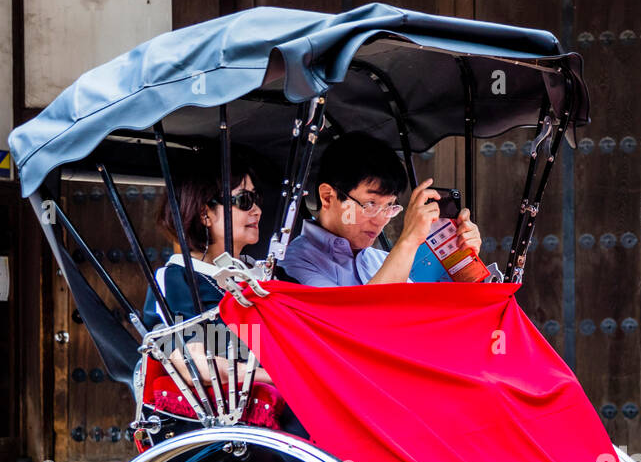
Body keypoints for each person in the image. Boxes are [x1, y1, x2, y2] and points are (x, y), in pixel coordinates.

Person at [280, 132, 481, 286]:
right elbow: (354, 325)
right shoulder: (294, 265)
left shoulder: (381, 260)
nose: (380, 221)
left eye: (389, 207)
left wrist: (461, 255)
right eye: (370, 205)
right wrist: (408, 241)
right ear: (328, 196)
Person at [142, 144, 264, 328]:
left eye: (256, 199)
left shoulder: (268, 273)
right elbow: (177, 347)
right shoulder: (177, 280)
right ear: (204, 214)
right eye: (244, 200)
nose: (257, 210)